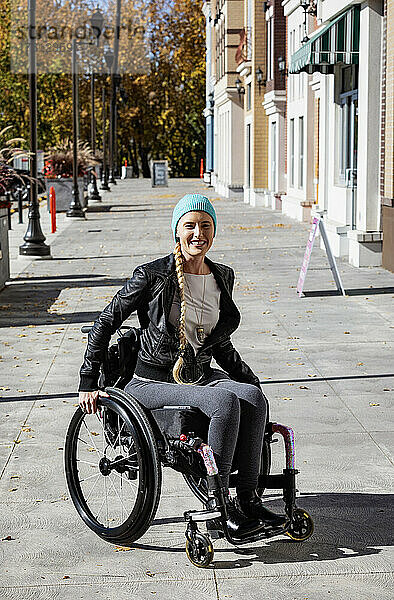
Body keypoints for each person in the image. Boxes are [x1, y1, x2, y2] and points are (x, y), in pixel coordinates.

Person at [79, 193, 287, 538]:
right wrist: (89, 380)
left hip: (198, 376)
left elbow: (218, 341)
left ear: (214, 231)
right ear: (177, 230)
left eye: (205, 225)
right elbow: (105, 321)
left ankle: (248, 500)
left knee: (252, 397)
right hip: (150, 380)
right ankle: (218, 506)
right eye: (190, 225)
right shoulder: (153, 275)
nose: (198, 233)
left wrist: (249, 380)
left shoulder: (221, 275)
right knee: (223, 402)